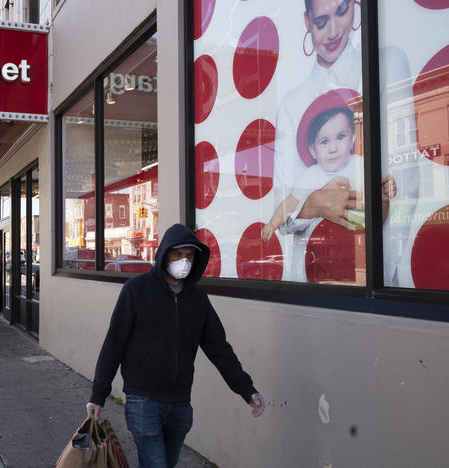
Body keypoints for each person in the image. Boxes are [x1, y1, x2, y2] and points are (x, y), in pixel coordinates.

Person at [86, 223, 264, 468]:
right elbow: (114, 344)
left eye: (190, 256)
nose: (184, 262)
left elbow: (219, 348)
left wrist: (247, 390)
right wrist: (98, 395)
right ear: (163, 254)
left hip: (180, 403)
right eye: (177, 254)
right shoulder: (136, 290)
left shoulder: (198, 298)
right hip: (143, 400)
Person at [273, 0, 417, 284]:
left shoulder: (386, 64)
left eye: (341, 12)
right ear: (306, 21)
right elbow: (283, 210)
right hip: (309, 276)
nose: (334, 30)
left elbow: (406, 180)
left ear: (355, 7)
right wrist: (315, 202)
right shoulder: (291, 104)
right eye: (320, 21)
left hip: (376, 273)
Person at [263, 107, 397, 243]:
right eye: (324, 142)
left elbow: (374, 217)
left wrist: (383, 199)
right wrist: (273, 223)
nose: (333, 149)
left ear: (352, 139)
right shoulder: (310, 176)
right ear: (313, 150)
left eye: (340, 137)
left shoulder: (359, 164)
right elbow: (290, 203)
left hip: (357, 240)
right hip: (323, 244)